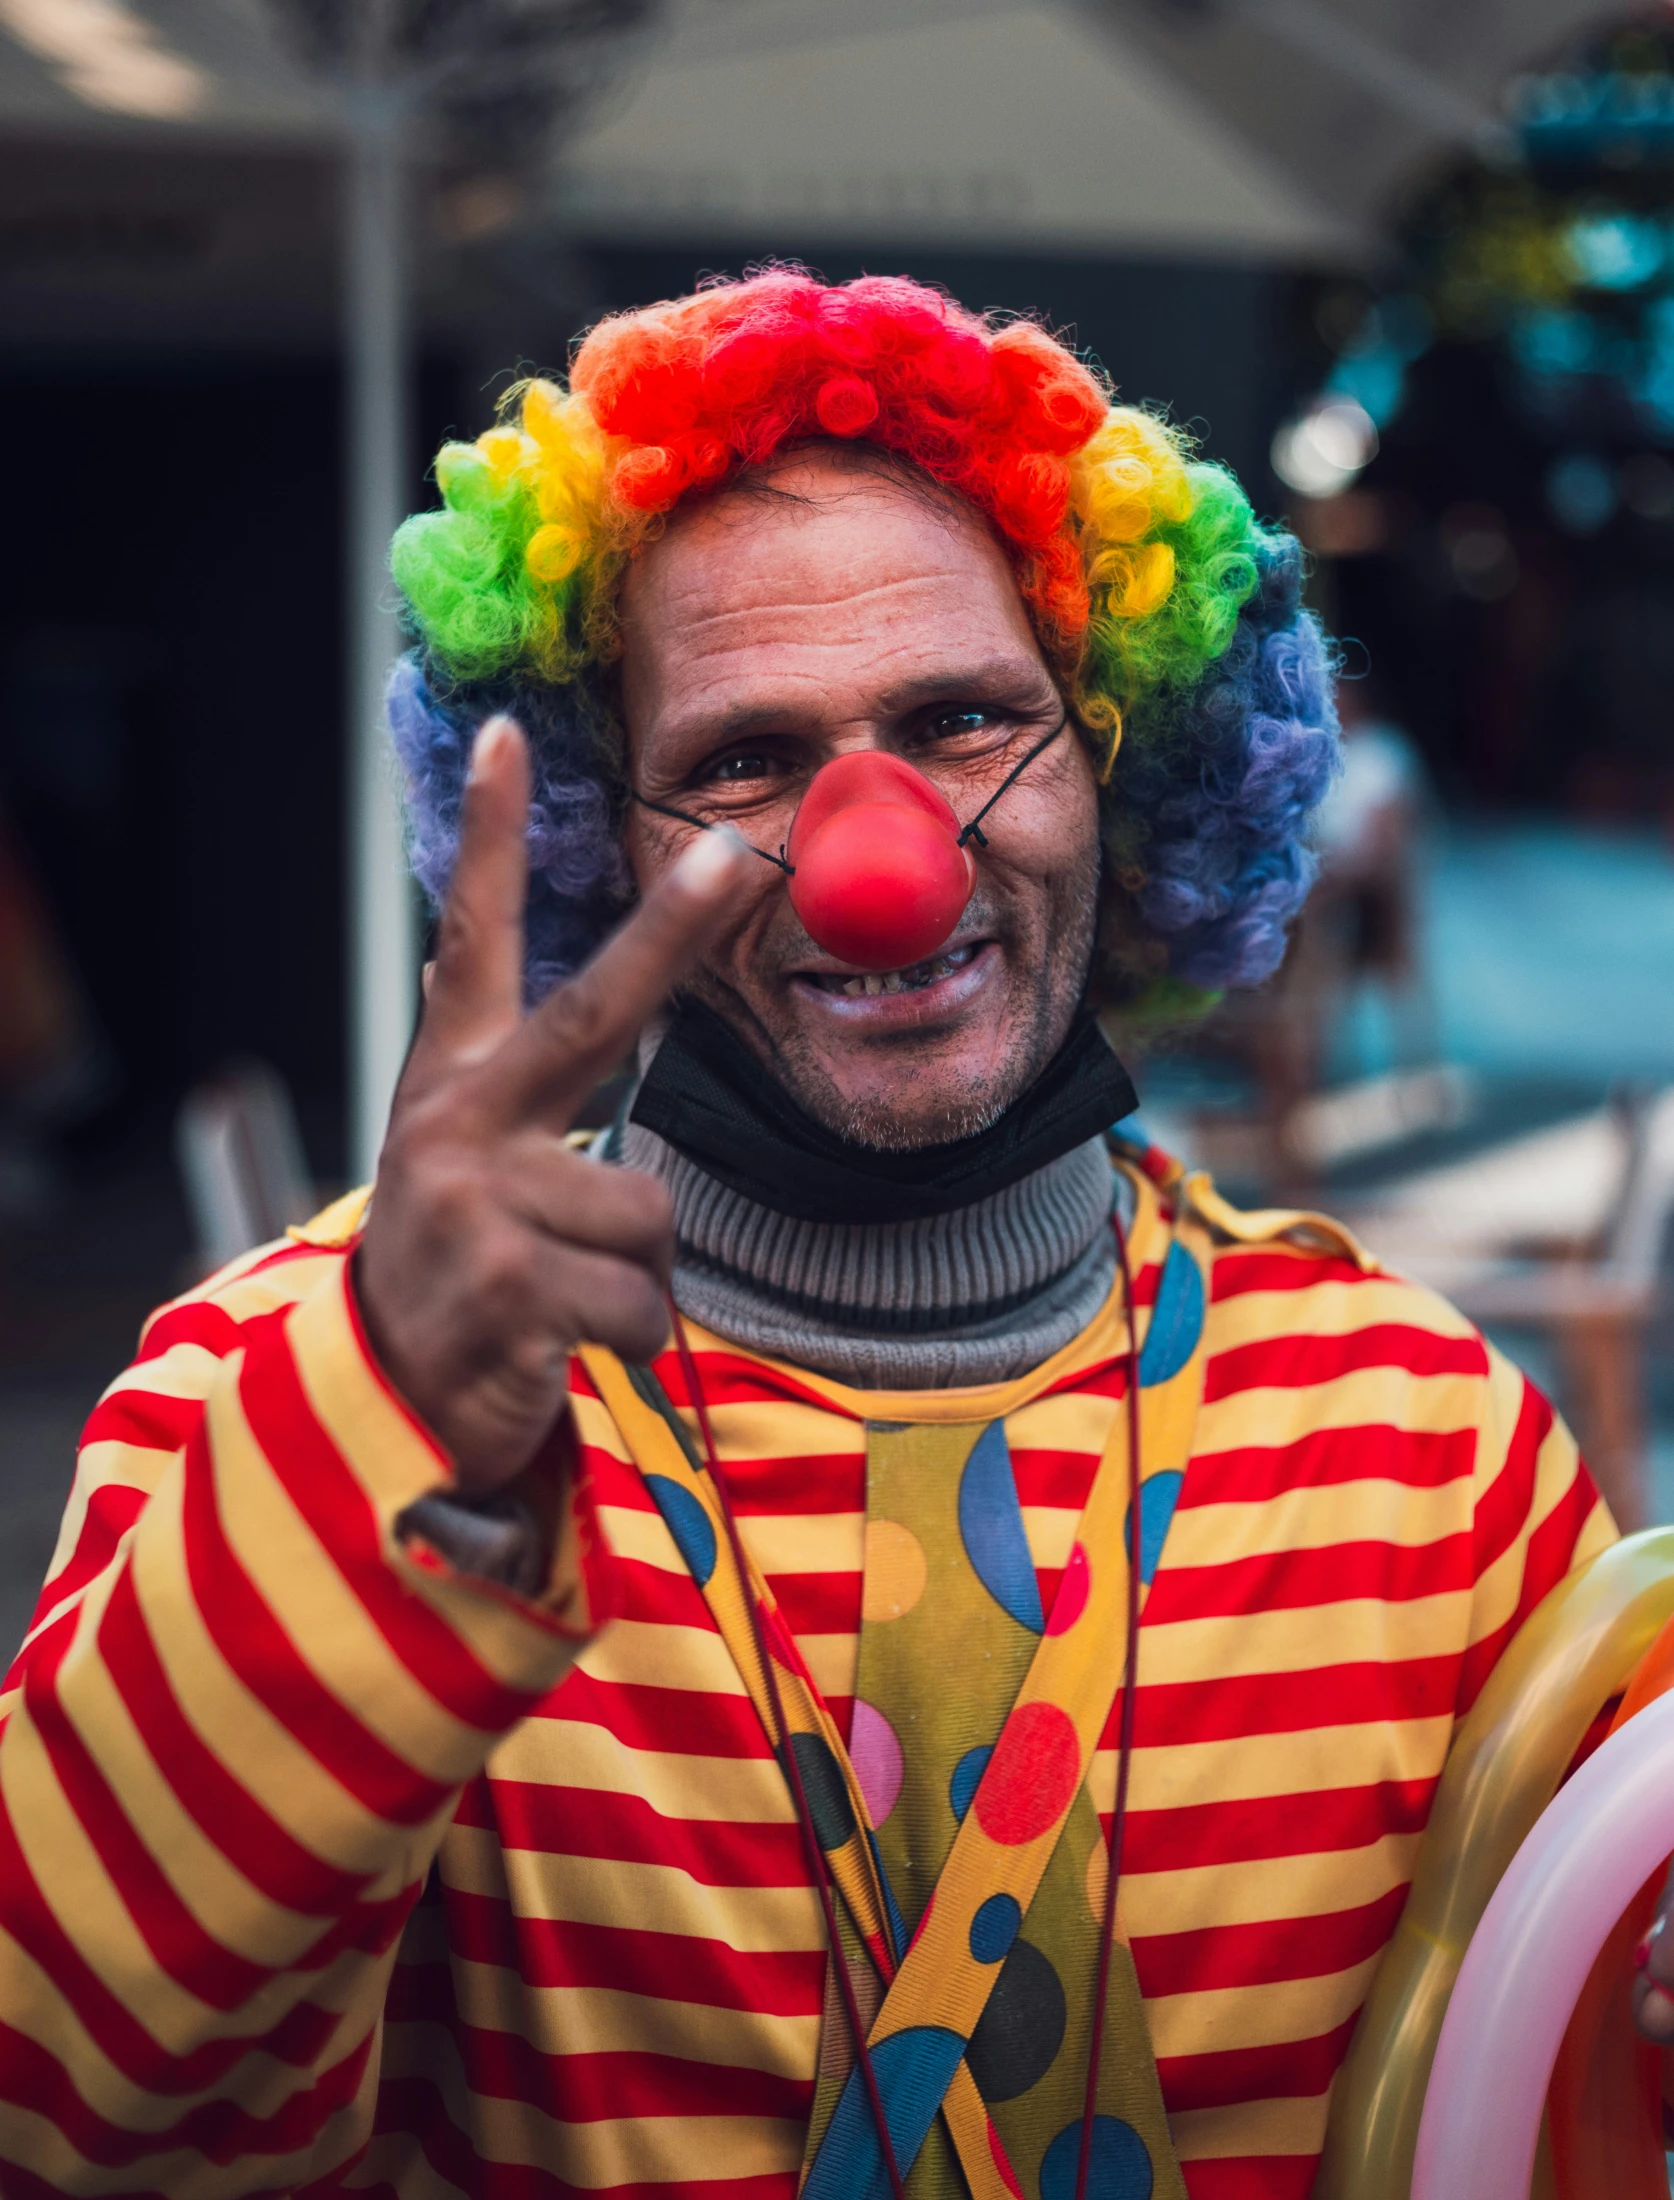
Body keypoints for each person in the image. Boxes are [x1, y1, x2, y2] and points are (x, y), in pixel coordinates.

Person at [0, 273, 1610, 2200]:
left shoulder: (1433, 1450)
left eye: (964, 719)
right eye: (748, 758)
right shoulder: (276, 1395)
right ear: (603, 835)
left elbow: (1557, 2095)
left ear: (1117, 757)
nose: (880, 855)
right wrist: (385, 1452)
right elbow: (67, 2126)